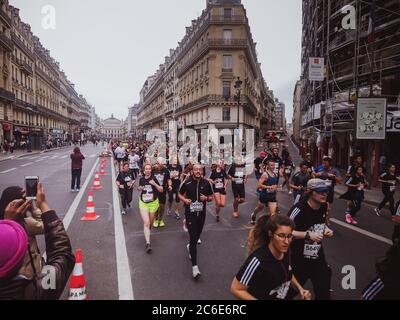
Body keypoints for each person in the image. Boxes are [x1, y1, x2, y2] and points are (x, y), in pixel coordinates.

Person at [0, 183, 74, 299]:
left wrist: (8, 222)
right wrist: (40, 206)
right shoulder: (37, 291)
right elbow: (62, 254)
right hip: (32, 271)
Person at [231, 215, 311, 300]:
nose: (286, 241)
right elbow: (236, 289)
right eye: (281, 235)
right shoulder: (258, 261)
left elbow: (288, 271)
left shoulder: (285, 250)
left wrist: (300, 289)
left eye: (289, 236)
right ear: (270, 233)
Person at [287, 179, 334, 300]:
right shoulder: (298, 209)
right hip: (298, 257)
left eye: (326, 191)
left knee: (323, 288)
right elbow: (284, 232)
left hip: (316, 254)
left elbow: (321, 223)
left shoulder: (323, 206)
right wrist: (307, 235)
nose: (324, 194)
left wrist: (325, 229)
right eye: (320, 191)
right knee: (289, 292)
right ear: (310, 192)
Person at [0, 186, 44, 280]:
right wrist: (33, 209)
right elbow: (44, 226)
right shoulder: (26, 223)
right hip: (28, 275)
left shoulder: (2, 225)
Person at [178, 164, 214, 279]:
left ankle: (190, 246)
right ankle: (195, 267)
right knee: (193, 239)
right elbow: (179, 194)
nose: (198, 171)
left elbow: (211, 196)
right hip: (190, 214)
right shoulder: (187, 182)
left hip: (201, 215)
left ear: (202, 171)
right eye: (196, 170)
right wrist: (185, 200)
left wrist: (207, 199)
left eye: (200, 169)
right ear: (192, 171)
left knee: (197, 236)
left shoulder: (206, 183)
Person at [138, 164, 164, 253]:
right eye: (146, 169)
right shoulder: (141, 179)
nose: (148, 170)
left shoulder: (154, 178)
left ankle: (147, 233)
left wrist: (155, 184)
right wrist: (139, 188)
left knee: (150, 224)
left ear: (151, 170)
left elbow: (161, 190)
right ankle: (148, 243)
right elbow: (139, 188)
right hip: (143, 203)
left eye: (149, 169)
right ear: (144, 170)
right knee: (147, 222)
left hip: (153, 204)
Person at [313, 156, 342, 224]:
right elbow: (314, 174)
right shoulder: (321, 169)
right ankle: (325, 222)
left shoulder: (335, 171)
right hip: (320, 192)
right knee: (323, 207)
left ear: (329, 163)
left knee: (327, 208)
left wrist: (333, 176)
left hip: (329, 192)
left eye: (325, 163)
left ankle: (326, 222)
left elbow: (340, 181)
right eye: (323, 163)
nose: (323, 165)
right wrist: (317, 174)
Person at [250, 159, 279, 225]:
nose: (273, 167)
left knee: (273, 214)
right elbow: (259, 185)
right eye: (271, 165)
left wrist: (276, 188)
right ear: (268, 166)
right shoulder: (265, 175)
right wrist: (269, 187)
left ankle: (270, 227)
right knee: (260, 208)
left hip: (272, 196)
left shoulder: (275, 174)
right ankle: (253, 215)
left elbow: (275, 184)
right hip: (264, 196)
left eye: (274, 165)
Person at [152, 157, 172, 228]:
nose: (161, 166)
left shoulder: (166, 170)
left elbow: (169, 179)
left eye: (162, 164)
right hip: (154, 191)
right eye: (159, 164)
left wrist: (170, 185)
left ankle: (160, 219)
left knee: (162, 207)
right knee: (155, 206)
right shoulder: (153, 170)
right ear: (157, 163)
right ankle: (156, 219)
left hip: (163, 191)